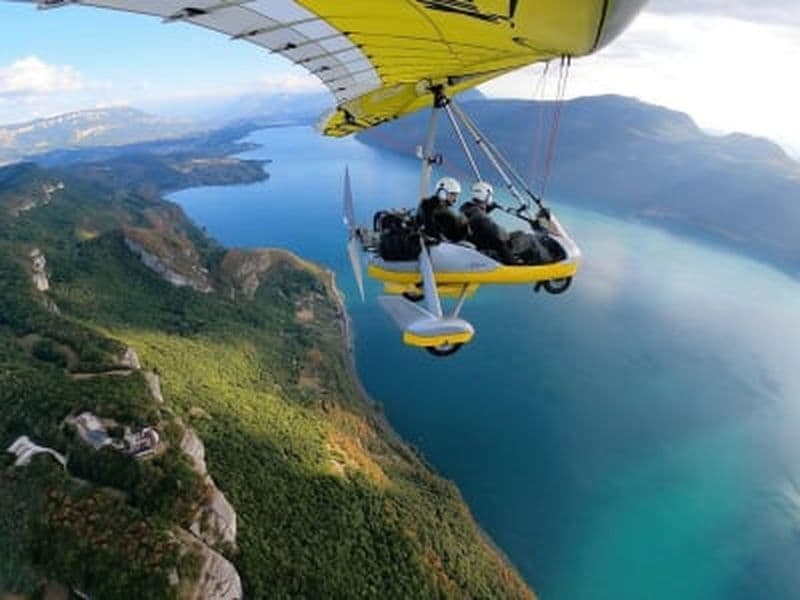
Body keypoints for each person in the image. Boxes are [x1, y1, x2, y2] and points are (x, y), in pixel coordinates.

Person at [459, 181, 514, 264]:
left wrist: (489, 207)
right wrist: (507, 236)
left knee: (517, 235)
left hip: (482, 243)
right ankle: (515, 264)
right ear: (485, 195)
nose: (491, 197)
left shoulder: (469, 210)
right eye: (490, 195)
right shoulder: (479, 216)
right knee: (527, 239)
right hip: (490, 249)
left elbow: (479, 215)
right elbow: (497, 233)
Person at [417, 176, 469, 242]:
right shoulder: (444, 214)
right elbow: (454, 238)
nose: (455, 199)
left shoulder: (426, 206)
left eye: (456, 195)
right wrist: (464, 226)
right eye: (453, 194)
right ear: (442, 193)